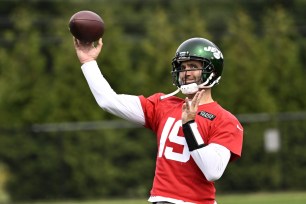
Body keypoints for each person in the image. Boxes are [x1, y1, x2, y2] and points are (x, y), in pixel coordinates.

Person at [73, 37, 243, 204]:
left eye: (193, 66)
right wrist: (88, 62)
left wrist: (190, 125)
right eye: (182, 67)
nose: (186, 73)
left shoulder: (225, 119)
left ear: (212, 71)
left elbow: (212, 171)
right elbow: (109, 101)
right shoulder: (164, 105)